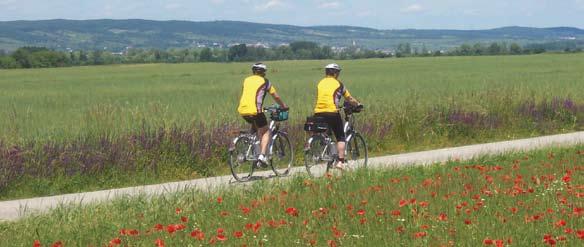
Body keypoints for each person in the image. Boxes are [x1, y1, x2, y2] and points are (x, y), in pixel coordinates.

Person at [237, 63, 288, 167]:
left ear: (253, 71)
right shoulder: (265, 82)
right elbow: (276, 96)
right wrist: (283, 106)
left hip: (243, 110)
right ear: (263, 72)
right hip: (255, 111)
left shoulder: (246, 80)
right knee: (266, 131)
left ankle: (253, 149)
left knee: (256, 128)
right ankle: (262, 156)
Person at [313, 63, 361, 170]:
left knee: (326, 134)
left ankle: (328, 153)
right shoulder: (339, 84)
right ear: (335, 73)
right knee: (340, 136)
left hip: (318, 112)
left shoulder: (320, 83)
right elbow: (349, 98)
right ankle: (340, 162)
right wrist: (357, 104)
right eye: (338, 72)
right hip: (332, 112)